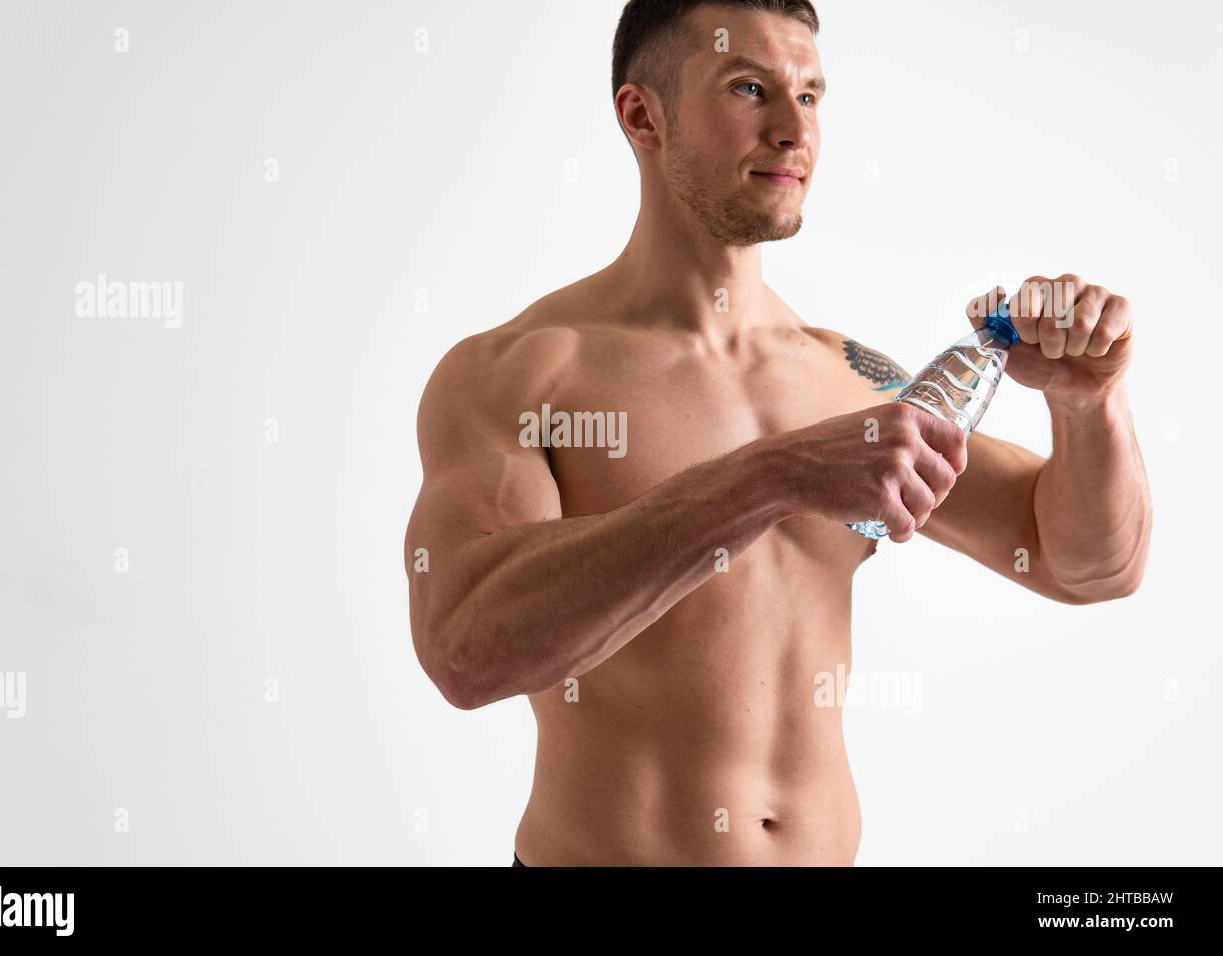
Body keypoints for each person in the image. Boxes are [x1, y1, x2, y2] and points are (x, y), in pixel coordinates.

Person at [404, 0, 1151, 866]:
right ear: (643, 115)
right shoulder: (525, 373)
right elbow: (465, 651)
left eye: (812, 96)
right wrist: (769, 479)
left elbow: (1086, 564)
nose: (794, 130)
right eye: (751, 89)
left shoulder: (845, 378)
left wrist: (1089, 403)